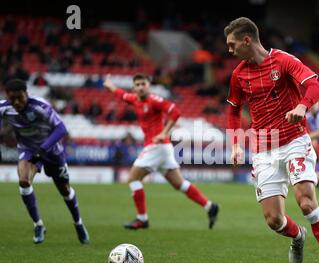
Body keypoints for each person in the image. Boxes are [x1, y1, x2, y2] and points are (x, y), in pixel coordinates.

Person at [225, 17, 319, 263]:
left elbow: (314, 86)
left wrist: (302, 105)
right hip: (264, 150)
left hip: (295, 141)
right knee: (273, 220)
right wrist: (235, 143)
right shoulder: (238, 75)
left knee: (305, 201)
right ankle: (297, 236)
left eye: (233, 45)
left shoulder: (283, 60)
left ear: (247, 40)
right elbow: (234, 111)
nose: (230, 51)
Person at [103, 73, 219, 229]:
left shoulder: (154, 100)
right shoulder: (135, 99)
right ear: (134, 88)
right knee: (179, 184)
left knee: (133, 179)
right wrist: (111, 87)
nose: (141, 87)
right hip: (163, 149)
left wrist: (164, 132)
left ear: (148, 86)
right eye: (137, 85)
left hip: (156, 146)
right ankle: (210, 206)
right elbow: (122, 95)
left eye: (143, 84)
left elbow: (175, 112)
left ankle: (142, 218)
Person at [0, 79, 89, 244]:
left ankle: (78, 223)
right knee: (24, 181)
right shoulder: (5, 108)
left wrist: (42, 150)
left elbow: (61, 129)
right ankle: (38, 224)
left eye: (20, 97)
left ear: (26, 93)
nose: (17, 102)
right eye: (13, 99)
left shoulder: (40, 106)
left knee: (65, 190)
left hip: (52, 151)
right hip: (28, 149)